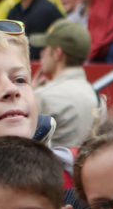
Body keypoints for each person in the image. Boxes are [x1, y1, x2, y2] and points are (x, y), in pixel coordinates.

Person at [35, 21, 105, 149]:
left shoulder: (44, 96)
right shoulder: (98, 99)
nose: (42, 53)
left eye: (46, 48)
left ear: (57, 53)